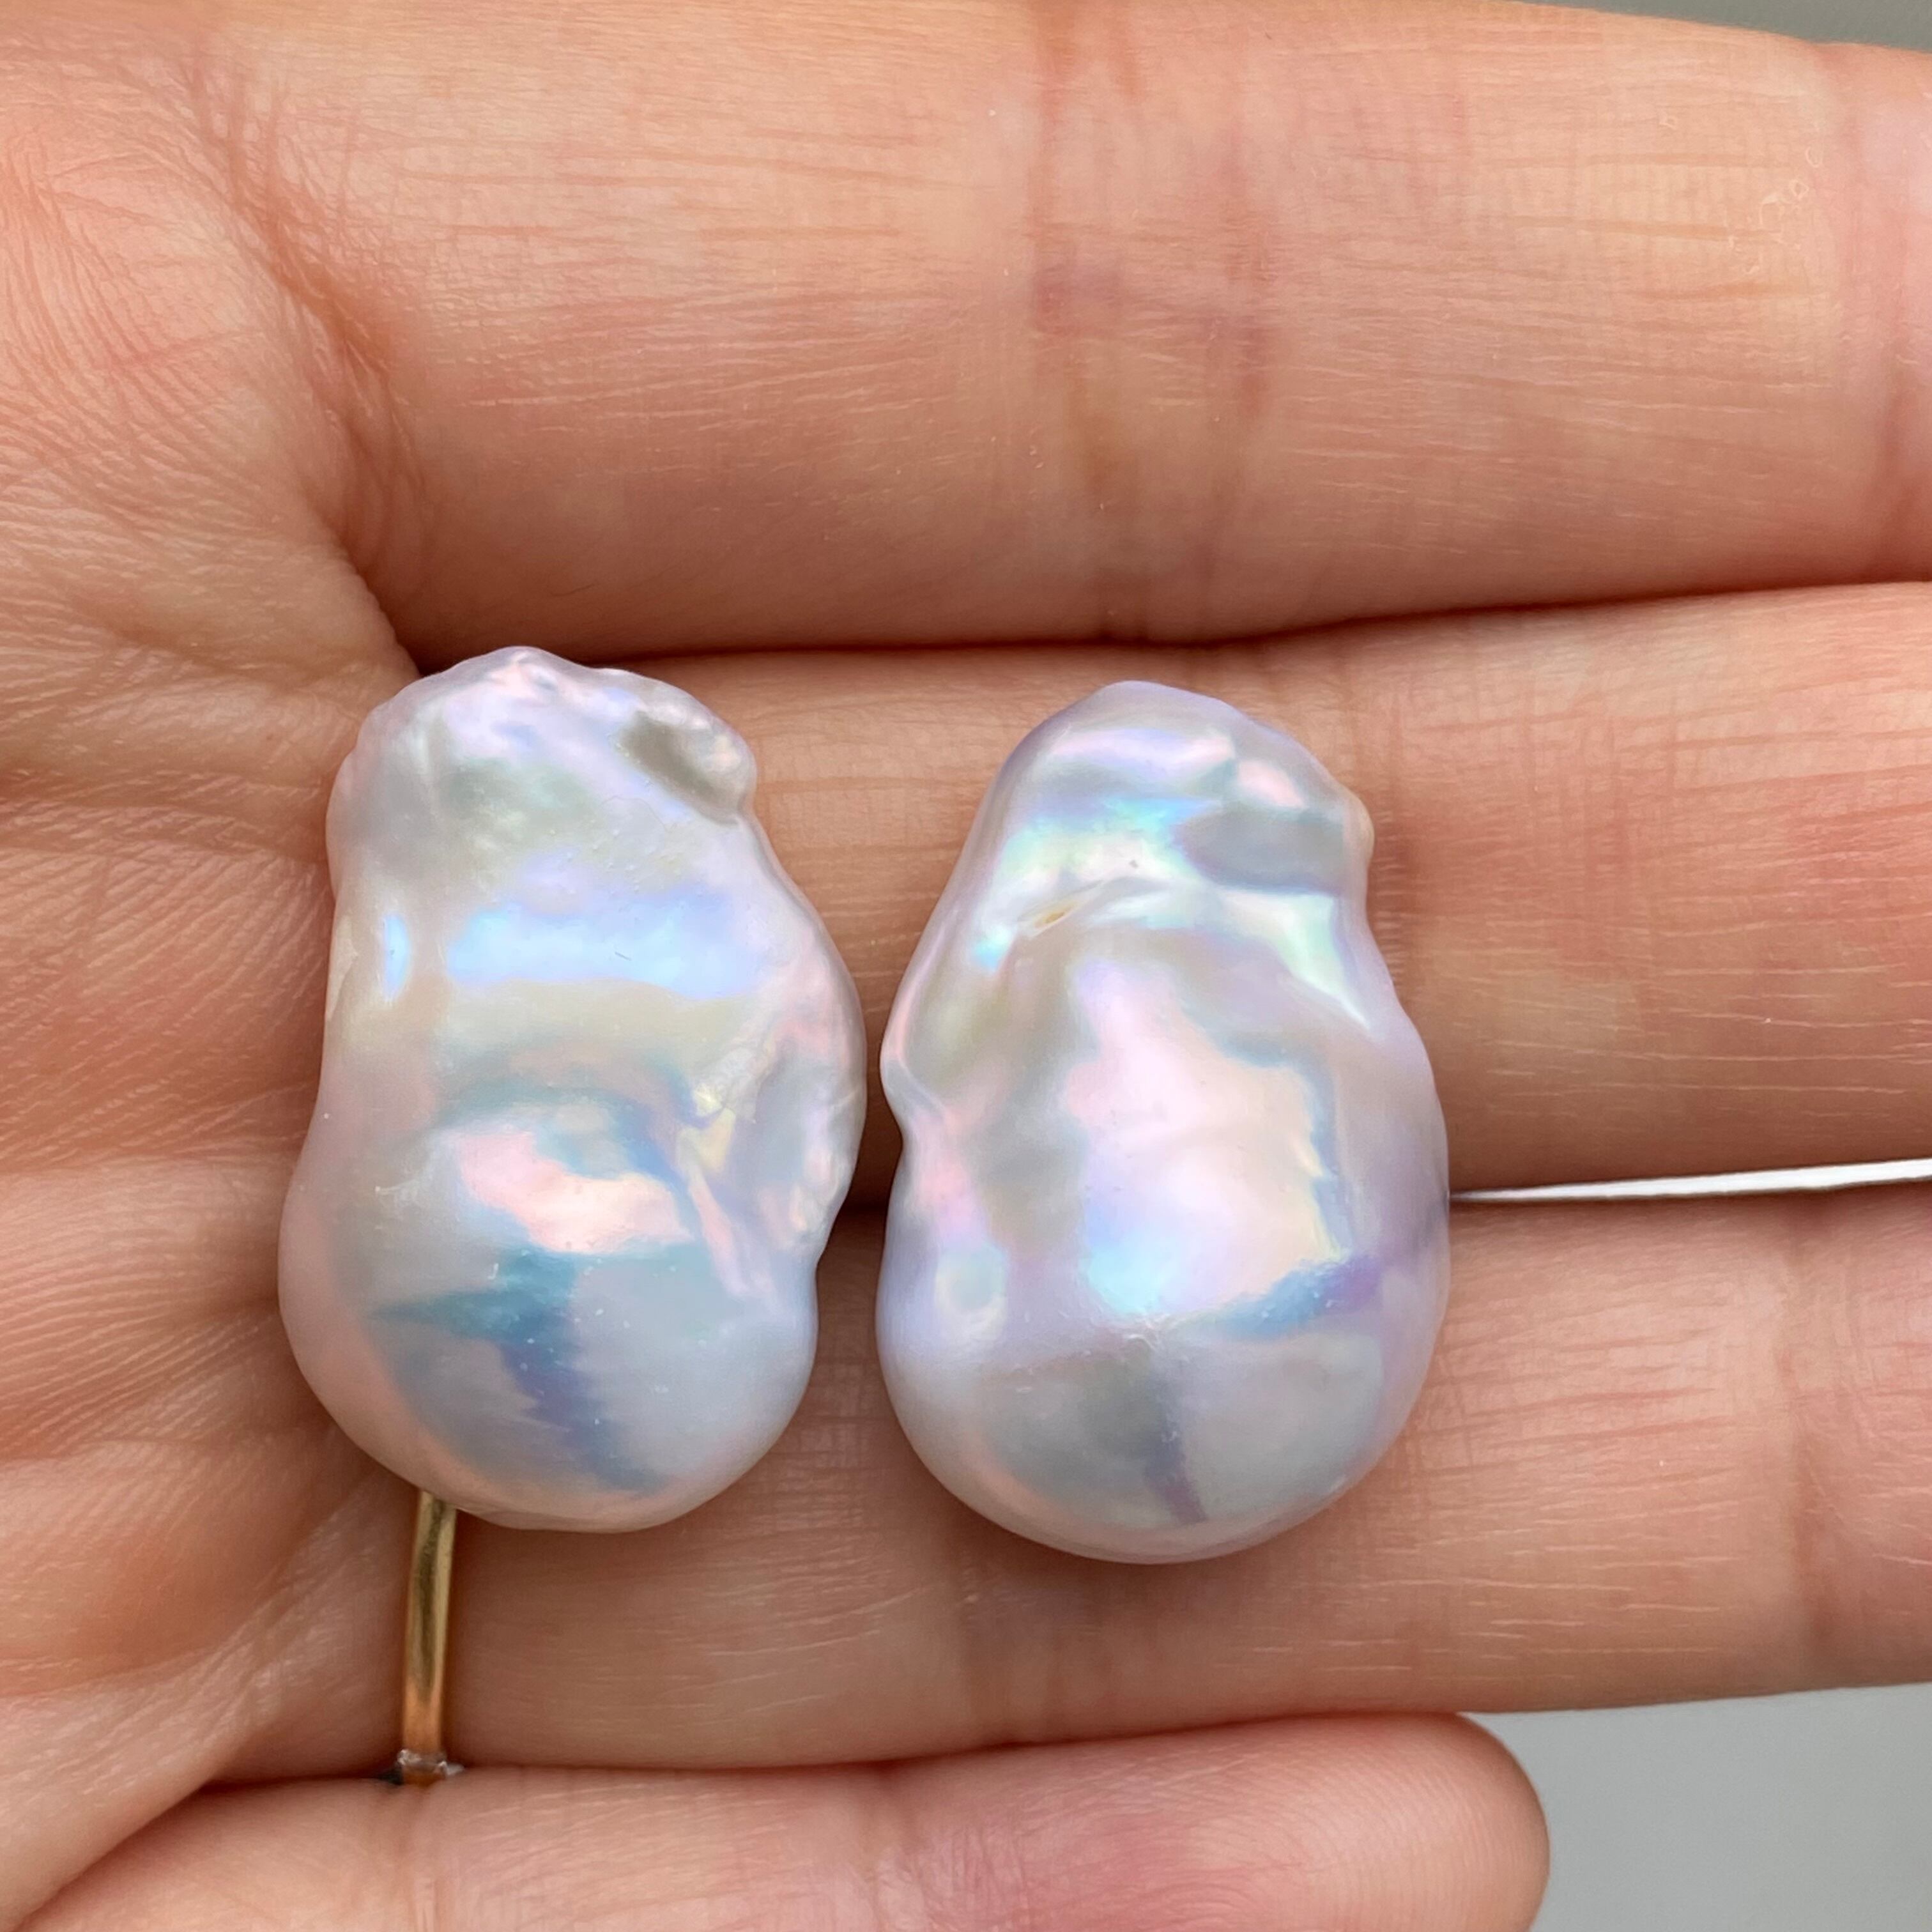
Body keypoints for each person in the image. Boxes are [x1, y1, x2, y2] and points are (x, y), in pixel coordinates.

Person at [4, 1, 1927, 1924]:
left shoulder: (618, 915)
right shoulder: (836, 935)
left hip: (588, 1367)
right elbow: (836, 1073)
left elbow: (824, 1076)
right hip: (1016, 1394)